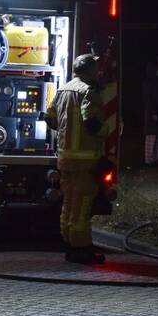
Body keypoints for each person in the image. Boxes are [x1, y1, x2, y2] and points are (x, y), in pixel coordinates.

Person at [47, 53, 107, 265]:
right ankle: (82, 250)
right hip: (84, 160)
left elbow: (49, 117)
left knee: (69, 203)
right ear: (91, 71)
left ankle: (70, 245)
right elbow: (90, 120)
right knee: (82, 206)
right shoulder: (88, 92)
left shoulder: (63, 89)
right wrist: (105, 130)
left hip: (64, 158)